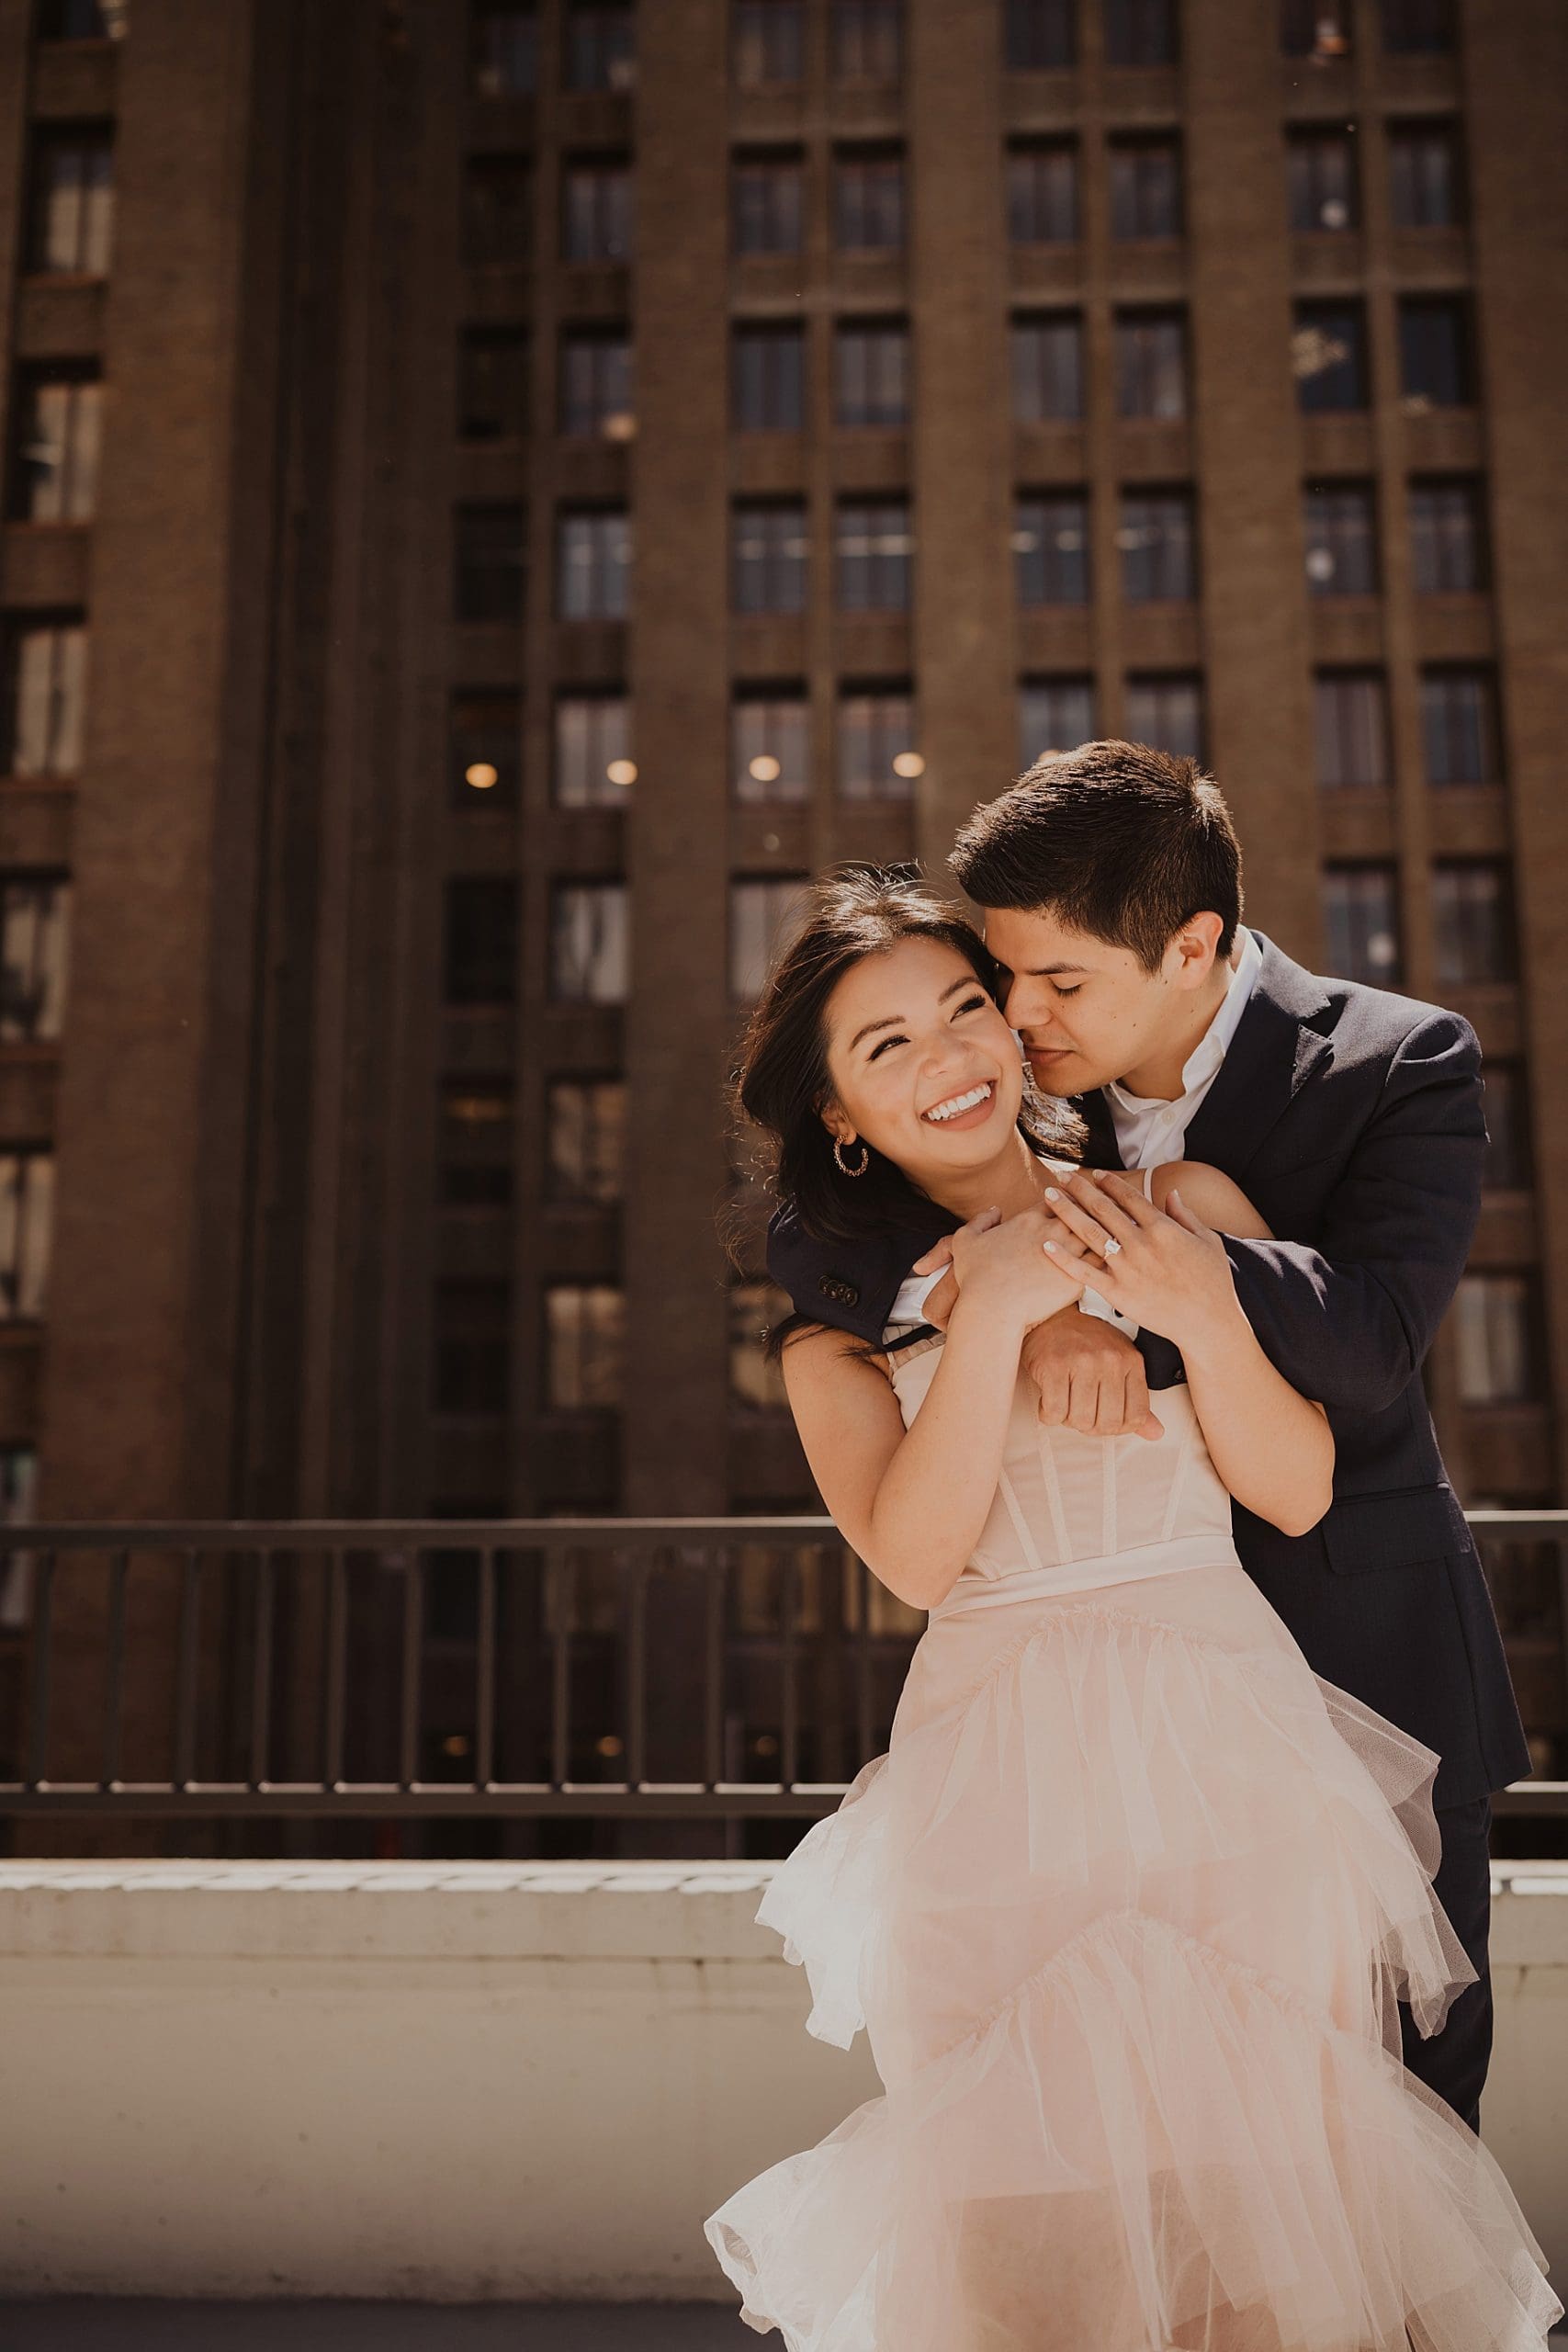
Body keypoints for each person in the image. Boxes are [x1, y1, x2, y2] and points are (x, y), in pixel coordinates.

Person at [704, 871, 1558, 2352]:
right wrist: (1001, 1313)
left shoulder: (1182, 1206)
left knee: (1270, 2204)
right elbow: (918, 1559)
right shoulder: (837, 1340)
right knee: (1011, 2232)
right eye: (889, 1046)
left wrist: (1185, 1311)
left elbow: (1296, 1486)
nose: (950, 1057)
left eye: (965, 1010)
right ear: (839, 1113)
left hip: (1227, 1748)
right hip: (993, 1782)